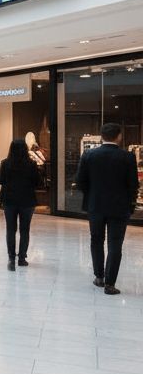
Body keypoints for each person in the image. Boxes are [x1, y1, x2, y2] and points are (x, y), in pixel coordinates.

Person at [76, 122, 139, 295]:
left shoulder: (89, 155)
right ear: (119, 136)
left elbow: (80, 181)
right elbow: (133, 185)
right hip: (119, 207)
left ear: (102, 136)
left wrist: (92, 194)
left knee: (96, 240)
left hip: (95, 206)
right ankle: (110, 284)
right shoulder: (127, 157)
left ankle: (99, 277)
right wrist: (131, 203)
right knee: (115, 244)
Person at [0, 138, 39, 271]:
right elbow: (37, 182)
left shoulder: (5, 163)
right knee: (25, 229)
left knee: (10, 229)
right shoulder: (32, 164)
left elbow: (0, 180)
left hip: (9, 200)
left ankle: (11, 258)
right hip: (27, 201)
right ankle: (22, 258)